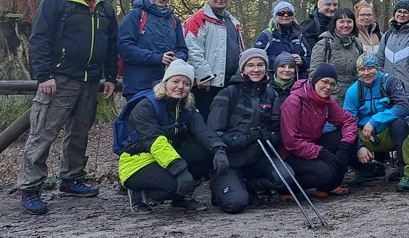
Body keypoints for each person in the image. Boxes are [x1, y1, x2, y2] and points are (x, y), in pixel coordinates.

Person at [18, 0, 118, 215]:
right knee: (43, 132)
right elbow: (38, 39)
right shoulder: (56, 2)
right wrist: (43, 76)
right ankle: (30, 187)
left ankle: (71, 179)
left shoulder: (105, 8)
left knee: (79, 132)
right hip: (59, 79)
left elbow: (111, 45)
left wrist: (110, 76)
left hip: (90, 80)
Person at [119, 60, 229, 214]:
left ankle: (181, 199)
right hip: (138, 161)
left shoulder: (187, 107)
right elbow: (155, 141)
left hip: (167, 156)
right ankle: (140, 192)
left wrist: (219, 149)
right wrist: (179, 170)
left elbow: (202, 130)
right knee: (175, 186)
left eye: (186, 83)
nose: (180, 87)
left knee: (203, 153)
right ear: (166, 82)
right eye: (175, 81)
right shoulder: (146, 106)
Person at [206, 49, 294, 213]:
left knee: (287, 177)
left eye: (260, 65)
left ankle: (248, 186)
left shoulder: (270, 94)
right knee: (236, 204)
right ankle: (223, 189)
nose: (256, 69)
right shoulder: (227, 94)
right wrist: (245, 138)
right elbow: (213, 134)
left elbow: (278, 130)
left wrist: (271, 137)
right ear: (243, 69)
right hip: (231, 160)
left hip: (256, 158)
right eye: (250, 65)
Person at [279, 63, 358, 197]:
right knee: (324, 172)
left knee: (349, 139)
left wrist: (344, 148)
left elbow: (348, 121)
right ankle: (287, 188)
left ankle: (328, 186)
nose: (328, 87)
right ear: (315, 80)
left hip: (312, 146)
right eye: (325, 82)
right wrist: (323, 153)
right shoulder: (294, 101)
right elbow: (291, 142)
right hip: (290, 153)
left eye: (332, 84)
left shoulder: (326, 102)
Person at [343, 53, 409, 192]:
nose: (366, 73)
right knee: (344, 133)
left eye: (370, 68)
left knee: (401, 125)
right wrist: (358, 146)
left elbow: (403, 107)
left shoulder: (390, 82)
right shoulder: (353, 91)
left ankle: (406, 174)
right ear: (358, 72)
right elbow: (348, 120)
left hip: (389, 132)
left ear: (377, 68)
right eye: (362, 70)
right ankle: (365, 170)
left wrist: (375, 120)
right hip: (365, 134)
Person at [118, 0, 188, 99]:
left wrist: (176, 59)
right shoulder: (135, 15)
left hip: (166, 85)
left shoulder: (174, 20)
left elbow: (183, 49)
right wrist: (158, 58)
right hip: (138, 86)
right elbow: (125, 48)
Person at [184, 0, 245, 119]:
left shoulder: (233, 22)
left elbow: (240, 49)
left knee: (224, 118)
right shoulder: (198, 20)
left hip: (229, 81)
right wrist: (204, 76)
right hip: (207, 83)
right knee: (205, 118)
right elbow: (193, 50)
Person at [377, 0, 409, 110]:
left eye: (405, 12)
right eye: (399, 11)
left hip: (408, 93)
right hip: (387, 92)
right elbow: (379, 63)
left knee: (404, 125)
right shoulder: (387, 36)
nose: (402, 14)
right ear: (394, 14)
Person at [309, 7, 363, 104]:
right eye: (341, 22)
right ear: (335, 23)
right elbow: (314, 75)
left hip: (354, 98)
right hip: (330, 99)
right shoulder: (324, 44)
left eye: (349, 22)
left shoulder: (357, 44)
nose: (345, 25)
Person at [253, 0, 312, 79]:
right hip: (271, 80)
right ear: (275, 15)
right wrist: (281, 60)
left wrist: (302, 61)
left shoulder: (299, 36)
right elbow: (256, 57)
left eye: (289, 13)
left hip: (295, 81)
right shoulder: (267, 35)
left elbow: (310, 58)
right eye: (281, 13)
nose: (285, 15)